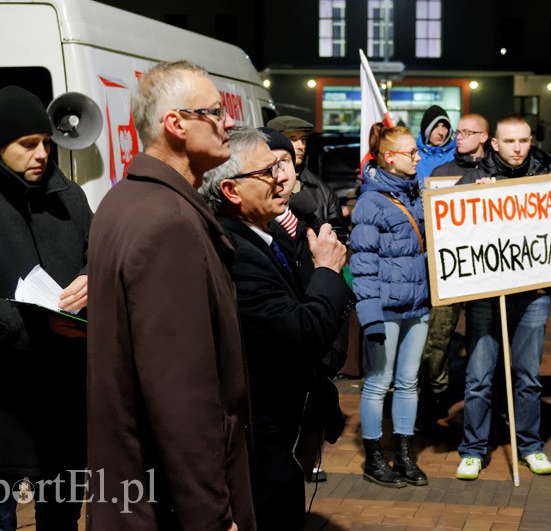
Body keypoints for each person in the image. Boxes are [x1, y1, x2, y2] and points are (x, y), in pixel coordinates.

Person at [86, 61, 255, 531]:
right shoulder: (169, 222)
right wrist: (214, 517)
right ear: (176, 124)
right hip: (166, 505)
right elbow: (182, 395)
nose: (228, 123)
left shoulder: (124, 200)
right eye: (215, 112)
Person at [200, 127, 354, 529]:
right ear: (232, 191)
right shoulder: (237, 254)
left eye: (281, 167)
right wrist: (327, 269)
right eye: (267, 171)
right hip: (262, 432)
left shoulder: (266, 235)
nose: (282, 178)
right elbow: (302, 331)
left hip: (284, 427)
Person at [0, 85, 91, 530]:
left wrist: (94, 280)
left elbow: (99, 260)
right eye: (28, 144)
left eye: (46, 143)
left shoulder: (71, 199)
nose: (41, 154)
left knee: (62, 517)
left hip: (64, 397)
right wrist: (34, 324)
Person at [454, 115, 551, 481]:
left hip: (531, 296)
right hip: (487, 297)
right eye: (510, 141)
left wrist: (543, 280)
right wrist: (475, 199)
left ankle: (530, 446)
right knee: (479, 376)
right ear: (495, 144)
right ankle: (473, 450)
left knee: (528, 377)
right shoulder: (473, 179)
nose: (517, 148)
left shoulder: (545, 181)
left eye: (523, 141)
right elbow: (449, 231)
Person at [351, 123, 431, 488]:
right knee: (378, 383)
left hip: (418, 305)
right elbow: (363, 264)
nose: (417, 157)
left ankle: (403, 456)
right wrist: (370, 320)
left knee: (408, 382)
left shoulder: (417, 194)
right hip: (385, 309)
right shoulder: (370, 202)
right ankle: (374, 458)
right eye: (411, 152)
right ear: (388, 157)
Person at [420, 114, 490, 420]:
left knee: (484, 339)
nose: (457, 137)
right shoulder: (442, 172)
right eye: (457, 131)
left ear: (485, 138)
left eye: (466, 132)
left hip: (485, 273)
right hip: (449, 271)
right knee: (437, 340)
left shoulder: (494, 172)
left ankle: (484, 400)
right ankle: (435, 396)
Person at [266, 115, 345, 235]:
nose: (301, 146)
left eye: (303, 139)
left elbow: (338, 233)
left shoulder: (322, 190)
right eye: (292, 139)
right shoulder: (261, 183)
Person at [415, 104, 456, 184]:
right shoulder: (414, 155)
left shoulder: (457, 155)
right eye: (435, 126)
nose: (440, 132)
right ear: (426, 129)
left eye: (444, 126)